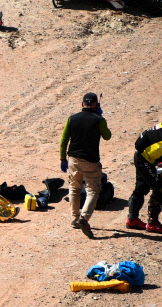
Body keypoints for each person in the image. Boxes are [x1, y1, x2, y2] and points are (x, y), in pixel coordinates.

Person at [60, 93, 112, 239]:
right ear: (96, 104)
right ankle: (84, 218)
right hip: (91, 161)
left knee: (74, 188)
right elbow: (107, 136)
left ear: (82, 104)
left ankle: (75, 218)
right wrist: (101, 118)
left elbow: (64, 140)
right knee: (93, 191)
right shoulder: (99, 120)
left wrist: (62, 158)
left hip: (73, 160)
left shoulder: (72, 118)